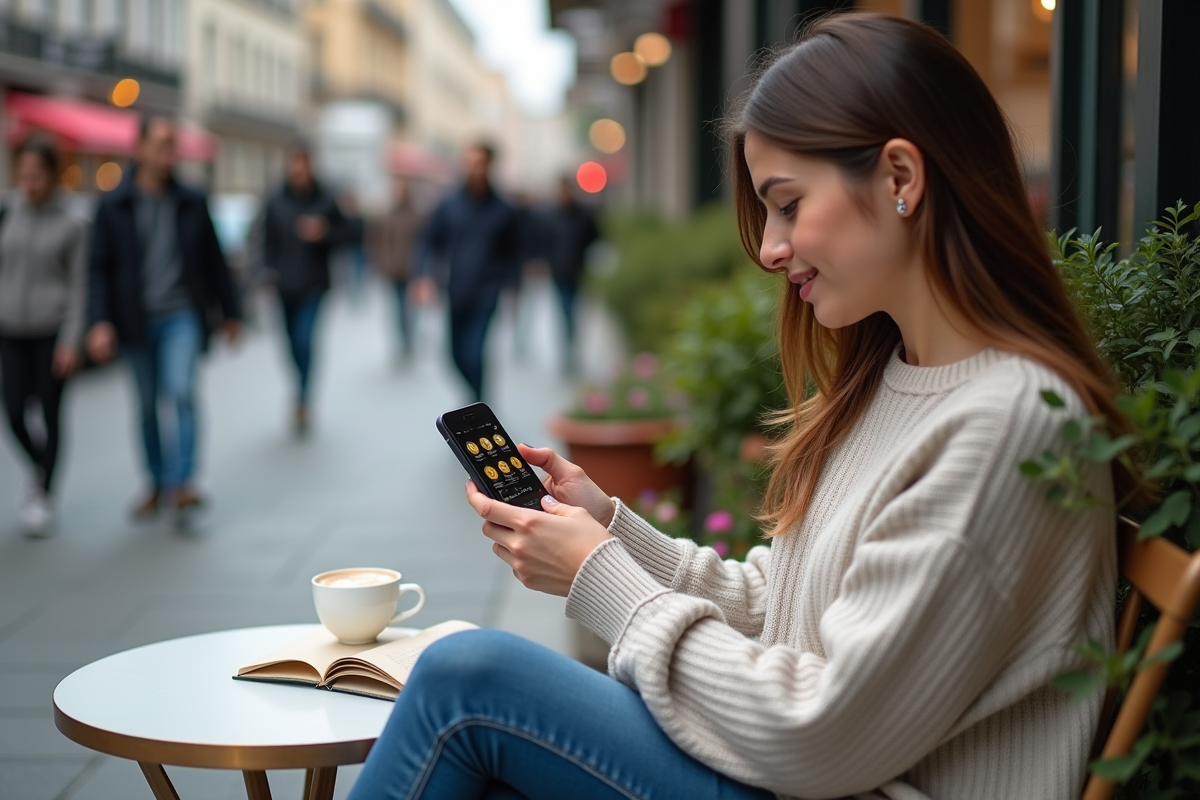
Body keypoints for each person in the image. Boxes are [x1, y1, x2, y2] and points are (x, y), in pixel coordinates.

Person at [348, 14, 1139, 800]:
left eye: (788, 204)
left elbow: (823, 734)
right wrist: (609, 528)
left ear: (901, 179)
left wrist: (598, 576)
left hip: (824, 779)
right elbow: (780, 608)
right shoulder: (898, 377)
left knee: (467, 681)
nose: (768, 247)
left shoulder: (1011, 422)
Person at [86, 116, 241, 522]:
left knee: (182, 391)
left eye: (172, 144)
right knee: (146, 405)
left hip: (181, 314)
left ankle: (183, 482)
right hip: (135, 318)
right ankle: (156, 482)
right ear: (139, 149)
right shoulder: (114, 203)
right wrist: (99, 321)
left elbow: (214, 260)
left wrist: (231, 313)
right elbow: (98, 267)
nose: (168, 152)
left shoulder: (191, 199)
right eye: (160, 144)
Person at [0, 140, 88, 536]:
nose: (29, 183)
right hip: (12, 329)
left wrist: (72, 339)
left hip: (52, 331)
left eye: (37, 176)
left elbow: (80, 285)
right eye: (24, 175)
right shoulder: (7, 211)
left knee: (50, 412)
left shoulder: (73, 221)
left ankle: (44, 495)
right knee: (14, 411)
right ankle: (40, 468)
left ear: (54, 176)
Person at [253, 142, 361, 434]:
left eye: (304, 163)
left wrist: (325, 232)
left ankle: (303, 396)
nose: (299, 169)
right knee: (290, 345)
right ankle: (299, 386)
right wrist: (265, 271)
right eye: (294, 163)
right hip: (284, 286)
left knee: (304, 340)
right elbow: (263, 240)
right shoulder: (276, 200)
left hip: (314, 284)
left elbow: (353, 232)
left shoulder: (326, 199)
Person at [412, 143, 519, 402]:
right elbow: (427, 240)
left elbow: (515, 252)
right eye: (469, 162)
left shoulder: (503, 209)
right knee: (452, 357)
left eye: (479, 162)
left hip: (487, 293)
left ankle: (478, 403)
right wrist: (421, 276)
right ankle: (477, 400)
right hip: (455, 290)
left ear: (489, 165)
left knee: (474, 354)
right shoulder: (448, 204)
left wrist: (512, 287)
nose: (474, 168)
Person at [544, 176, 598, 374]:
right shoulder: (550, 216)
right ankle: (567, 350)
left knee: (572, 312)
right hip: (558, 273)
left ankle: (571, 349)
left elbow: (595, 237)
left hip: (577, 271)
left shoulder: (584, 215)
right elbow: (544, 242)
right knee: (564, 312)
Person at [368, 175, 425, 361]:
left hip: (412, 271)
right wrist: (381, 263)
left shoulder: (417, 215)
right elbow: (375, 242)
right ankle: (402, 341)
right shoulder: (385, 215)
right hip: (392, 271)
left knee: (409, 308)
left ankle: (409, 339)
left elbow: (424, 243)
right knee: (397, 308)